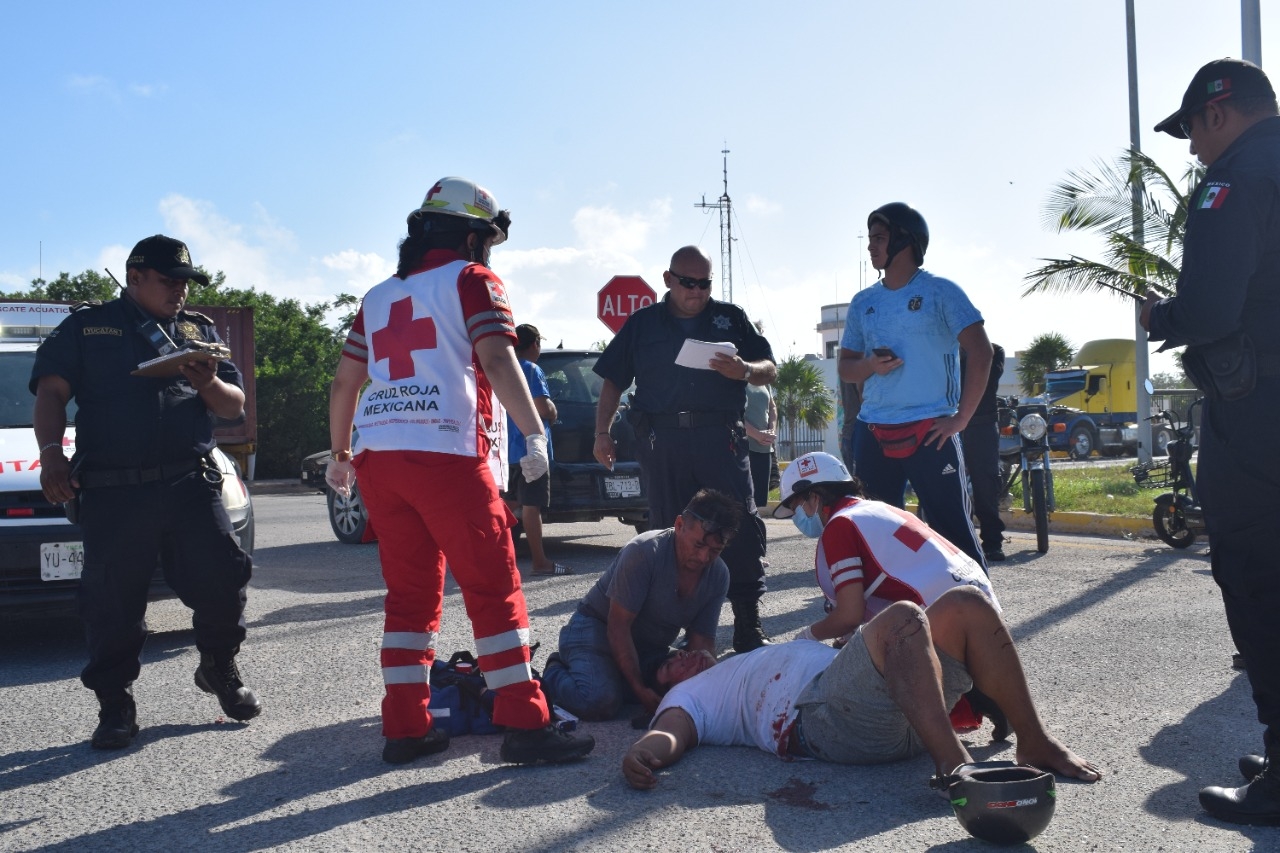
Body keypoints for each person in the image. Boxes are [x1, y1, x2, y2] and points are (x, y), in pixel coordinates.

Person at [327, 176, 594, 767]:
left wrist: (340, 454)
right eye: (489, 240)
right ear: (473, 235)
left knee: (410, 596)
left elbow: (346, 382)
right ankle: (526, 722)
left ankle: (405, 726)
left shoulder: (375, 298)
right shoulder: (472, 280)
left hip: (379, 457)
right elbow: (498, 358)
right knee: (493, 588)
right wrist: (536, 433)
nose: (490, 252)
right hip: (445, 451)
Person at [30, 234, 259, 750]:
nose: (179, 290)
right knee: (112, 603)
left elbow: (232, 406)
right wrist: (51, 456)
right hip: (115, 491)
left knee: (224, 580)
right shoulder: (88, 328)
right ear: (134, 277)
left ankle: (219, 667)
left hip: (189, 485)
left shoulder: (197, 331)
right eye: (167, 280)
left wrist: (205, 382)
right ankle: (115, 704)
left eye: (184, 281)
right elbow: (50, 391)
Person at [1141, 58, 1280, 825]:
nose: (1193, 148)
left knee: (1259, 576)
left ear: (1217, 114)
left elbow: (1212, 306)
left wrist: (1163, 317)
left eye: (1192, 129)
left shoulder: (1233, 181)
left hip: (1259, 415)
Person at [622, 586, 1102, 791]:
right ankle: (956, 766)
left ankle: (1034, 741)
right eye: (669, 666)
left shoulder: (740, 659)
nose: (682, 655)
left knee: (966, 605)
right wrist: (645, 752)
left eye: (680, 649)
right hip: (823, 720)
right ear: (659, 690)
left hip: (906, 707)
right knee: (903, 618)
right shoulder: (689, 697)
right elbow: (672, 732)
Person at [593, 245, 777, 652]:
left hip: (720, 439)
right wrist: (602, 434)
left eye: (705, 283)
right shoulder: (643, 324)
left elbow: (769, 367)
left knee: (739, 527)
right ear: (668, 280)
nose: (697, 290)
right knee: (668, 531)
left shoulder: (730, 318)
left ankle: (748, 625)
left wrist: (745, 370)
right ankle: (665, 629)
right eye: (688, 282)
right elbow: (612, 380)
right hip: (664, 443)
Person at [838, 203, 992, 570]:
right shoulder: (864, 302)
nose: (871, 247)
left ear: (905, 240)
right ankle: (891, 620)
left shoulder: (941, 291)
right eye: (870, 239)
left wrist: (961, 419)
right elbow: (846, 369)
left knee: (952, 531)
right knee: (876, 532)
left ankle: (983, 616)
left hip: (931, 431)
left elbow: (982, 352)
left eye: (879, 238)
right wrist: (870, 366)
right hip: (873, 430)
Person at [541, 489, 738, 720]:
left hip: (649, 648)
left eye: (715, 550)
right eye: (698, 545)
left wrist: (710, 694)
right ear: (679, 524)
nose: (704, 558)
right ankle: (555, 670)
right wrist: (639, 689)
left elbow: (701, 643)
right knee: (601, 701)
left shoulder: (718, 575)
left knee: (677, 682)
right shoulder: (644, 552)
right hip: (596, 630)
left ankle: (611, 677)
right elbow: (618, 627)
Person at [506, 323, 569, 575]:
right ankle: (540, 562)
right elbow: (543, 408)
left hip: (506, 451)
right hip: (531, 450)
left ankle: (501, 559)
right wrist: (553, 411)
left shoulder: (502, 369)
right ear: (534, 345)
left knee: (506, 506)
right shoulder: (531, 369)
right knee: (532, 507)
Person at [960, 342, 1007, 562]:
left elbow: (984, 379)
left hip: (982, 425)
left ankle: (992, 542)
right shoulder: (944, 350)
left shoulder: (994, 351)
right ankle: (956, 541)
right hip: (948, 423)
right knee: (947, 484)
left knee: (986, 484)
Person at [743, 382, 777, 508]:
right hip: (743, 448)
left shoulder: (764, 382)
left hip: (764, 449)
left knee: (759, 501)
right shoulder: (736, 379)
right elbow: (733, 413)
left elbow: (772, 407)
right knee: (743, 499)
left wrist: (772, 430)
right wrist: (756, 434)